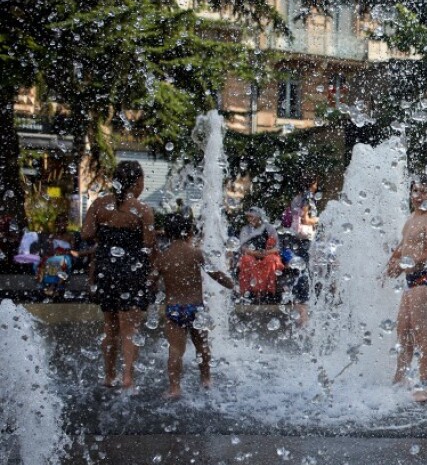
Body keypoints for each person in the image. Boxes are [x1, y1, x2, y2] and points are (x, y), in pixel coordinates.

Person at [81, 161, 156, 389]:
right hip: (131, 271)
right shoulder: (143, 210)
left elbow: (86, 233)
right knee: (129, 328)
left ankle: (109, 375)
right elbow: (149, 243)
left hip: (105, 268)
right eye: (142, 181)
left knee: (109, 326)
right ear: (136, 182)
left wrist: (106, 237)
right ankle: (127, 377)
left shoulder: (100, 205)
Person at [150, 216, 234, 399]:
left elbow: (150, 283)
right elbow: (216, 274)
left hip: (174, 309)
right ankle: (206, 379)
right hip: (196, 308)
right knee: (202, 346)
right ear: (189, 233)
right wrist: (231, 284)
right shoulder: (196, 253)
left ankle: (174, 388)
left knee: (175, 350)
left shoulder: (163, 258)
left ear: (167, 234)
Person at [386, 179, 427, 402]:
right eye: (415, 190)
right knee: (403, 331)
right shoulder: (411, 219)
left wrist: (405, 264)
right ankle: (399, 378)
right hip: (413, 279)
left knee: (421, 335)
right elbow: (403, 246)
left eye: (424, 191)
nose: (418, 195)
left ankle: (425, 385)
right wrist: (391, 262)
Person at [285, 178, 320, 326]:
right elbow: (305, 219)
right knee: (305, 272)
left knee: (300, 271)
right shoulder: (306, 197)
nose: (317, 186)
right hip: (304, 238)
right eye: (315, 183)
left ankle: (299, 311)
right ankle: (303, 314)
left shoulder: (297, 197)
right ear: (311, 184)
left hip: (295, 237)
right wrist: (319, 219)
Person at [236, 206, 283, 303]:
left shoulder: (269, 228)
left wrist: (266, 253)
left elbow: (277, 247)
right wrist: (254, 253)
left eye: (252, 217)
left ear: (259, 217)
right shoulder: (245, 229)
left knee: (271, 260)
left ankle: (269, 292)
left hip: (268, 254)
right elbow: (243, 247)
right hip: (251, 255)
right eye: (248, 217)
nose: (250, 219)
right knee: (246, 260)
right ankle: (249, 292)